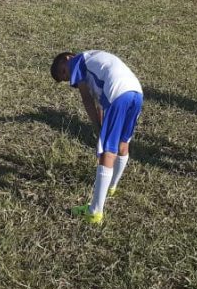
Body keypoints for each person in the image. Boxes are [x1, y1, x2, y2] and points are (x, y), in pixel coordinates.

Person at [50, 50, 144, 224]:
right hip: (136, 91)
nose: (68, 78)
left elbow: (87, 100)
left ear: (67, 58)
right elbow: (100, 100)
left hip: (118, 93)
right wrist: (101, 126)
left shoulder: (77, 62)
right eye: (64, 79)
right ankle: (112, 187)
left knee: (107, 151)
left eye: (63, 71)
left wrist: (98, 128)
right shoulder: (94, 62)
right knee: (124, 143)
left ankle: (94, 212)